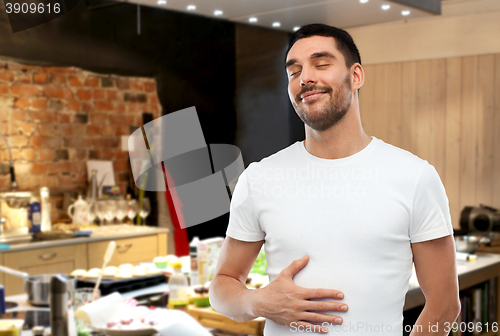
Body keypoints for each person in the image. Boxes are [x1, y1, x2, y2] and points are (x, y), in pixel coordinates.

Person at [210, 24, 460, 335]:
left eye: (321, 63)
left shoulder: (415, 177)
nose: (305, 77)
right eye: (294, 70)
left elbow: (445, 304)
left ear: (355, 76)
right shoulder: (260, 178)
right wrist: (259, 302)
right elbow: (222, 287)